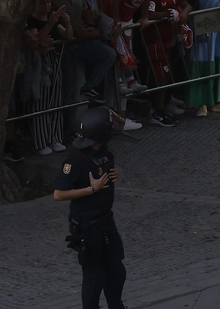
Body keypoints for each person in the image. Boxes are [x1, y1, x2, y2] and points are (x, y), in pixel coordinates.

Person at [54, 107, 125, 309]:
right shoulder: (75, 160)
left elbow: (121, 124)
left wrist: (113, 176)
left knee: (116, 271)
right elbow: (58, 194)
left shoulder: (103, 151)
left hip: (105, 221)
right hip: (87, 226)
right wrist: (91, 189)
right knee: (94, 278)